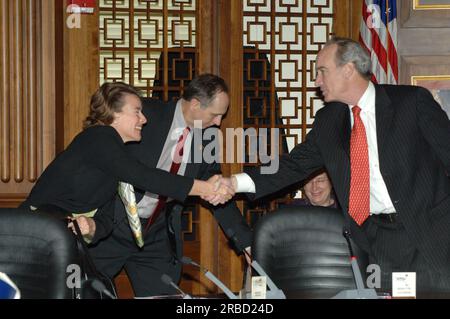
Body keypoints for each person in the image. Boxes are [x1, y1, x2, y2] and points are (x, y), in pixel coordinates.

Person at [218, 37, 450, 292]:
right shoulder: (329, 120)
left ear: (348, 69)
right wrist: (234, 182)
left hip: (432, 233)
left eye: (322, 71)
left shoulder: (411, 102)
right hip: (378, 239)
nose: (316, 81)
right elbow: (292, 165)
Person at [89, 74, 252, 297]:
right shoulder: (145, 116)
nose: (218, 123)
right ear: (195, 104)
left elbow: (213, 189)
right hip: (110, 227)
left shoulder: (206, 139)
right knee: (85, 291)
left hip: (156, 235)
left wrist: (245, 241)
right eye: (215, 115)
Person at [20, 82, 232, 242]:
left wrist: (91, 226)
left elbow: (105, 216)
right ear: (113, 112)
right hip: (29, 232)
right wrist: (204, 187)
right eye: (137, 112)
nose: (144, 119)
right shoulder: (98, 137)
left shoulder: (116, 151)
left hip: (54, 237)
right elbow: (144, 177)